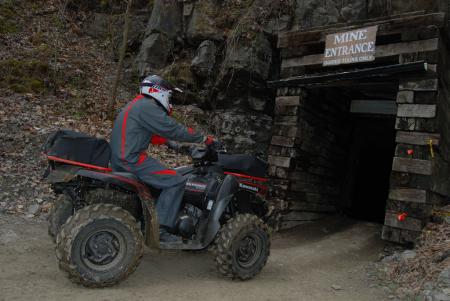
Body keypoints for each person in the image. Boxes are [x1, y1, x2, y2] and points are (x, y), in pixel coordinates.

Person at [110, 75, 214, 243]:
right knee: (176, 181)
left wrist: (174, 145)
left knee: (164, 179)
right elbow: (172, 128)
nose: (170, 100)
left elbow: (150, 134)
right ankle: (160, 231)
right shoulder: (147, 107)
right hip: (131, 161)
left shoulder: (137, 105)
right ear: (159, 92)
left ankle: (153, 216)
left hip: (120, 158)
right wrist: (203, 139)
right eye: (169, 95)